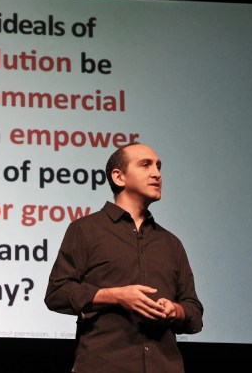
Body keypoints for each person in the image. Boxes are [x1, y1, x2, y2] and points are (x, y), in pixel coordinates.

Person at [44, 142, 203, 372]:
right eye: (146, 165)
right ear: (119, 177)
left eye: (158, 167)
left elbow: (194, 312)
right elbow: (57, 293)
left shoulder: (171, 243)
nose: (157, 174)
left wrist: (176, 311)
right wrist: (116, 296)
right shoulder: (86, 230)